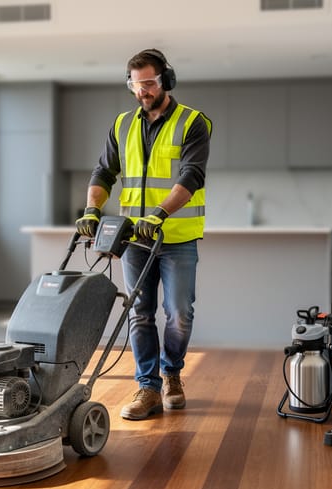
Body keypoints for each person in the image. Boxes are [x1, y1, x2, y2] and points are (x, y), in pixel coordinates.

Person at [75, 49, 212, 420]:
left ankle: (172, 374)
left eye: (149, 84)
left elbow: (191, 177)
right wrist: (92, 208)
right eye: (136, 86)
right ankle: (148, 386)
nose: (143, 92)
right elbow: (104, 172)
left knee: (180, 312)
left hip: (177, 237)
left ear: (166, 79)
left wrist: (159, 213)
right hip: (135, 239)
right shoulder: (122, 125)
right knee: (140, 312)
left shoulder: (193, 122)